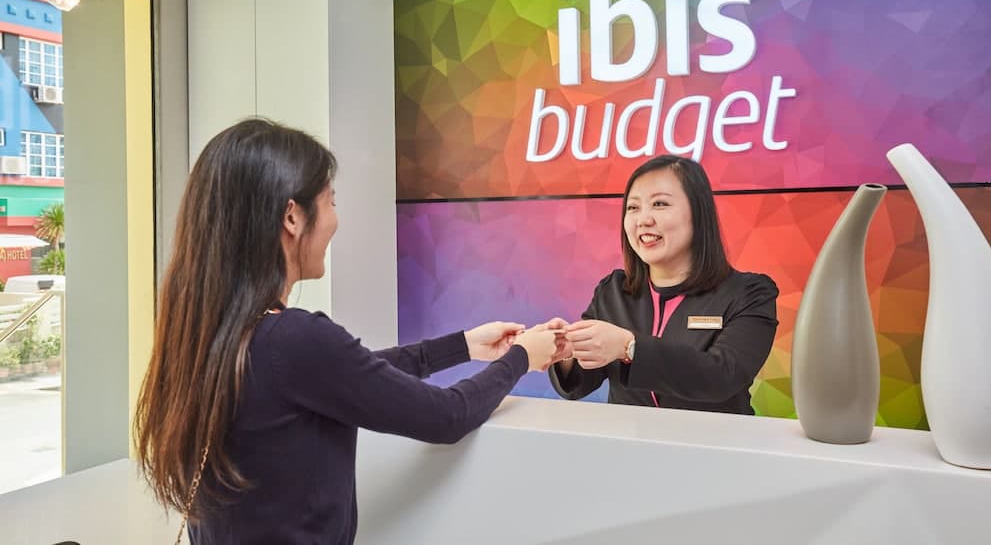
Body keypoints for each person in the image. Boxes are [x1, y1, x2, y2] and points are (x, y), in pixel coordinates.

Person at [133, 119, 559, 545]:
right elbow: (447, 416)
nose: (336, 220)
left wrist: (463, 346)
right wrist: (521, 357)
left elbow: (349, 374)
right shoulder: (292, 338)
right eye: (330, 201)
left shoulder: (213, 334)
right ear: (292, 216)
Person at [548, 154, 779, 415]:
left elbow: (723, 375)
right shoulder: (613, 290)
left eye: (659, 204)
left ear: (698, 213)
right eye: (633, 208)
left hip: (713, 440)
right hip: (629, 439)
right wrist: (566, 352)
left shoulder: (749, 293)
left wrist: (629, 347)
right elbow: (580, 383)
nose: (643, 219)